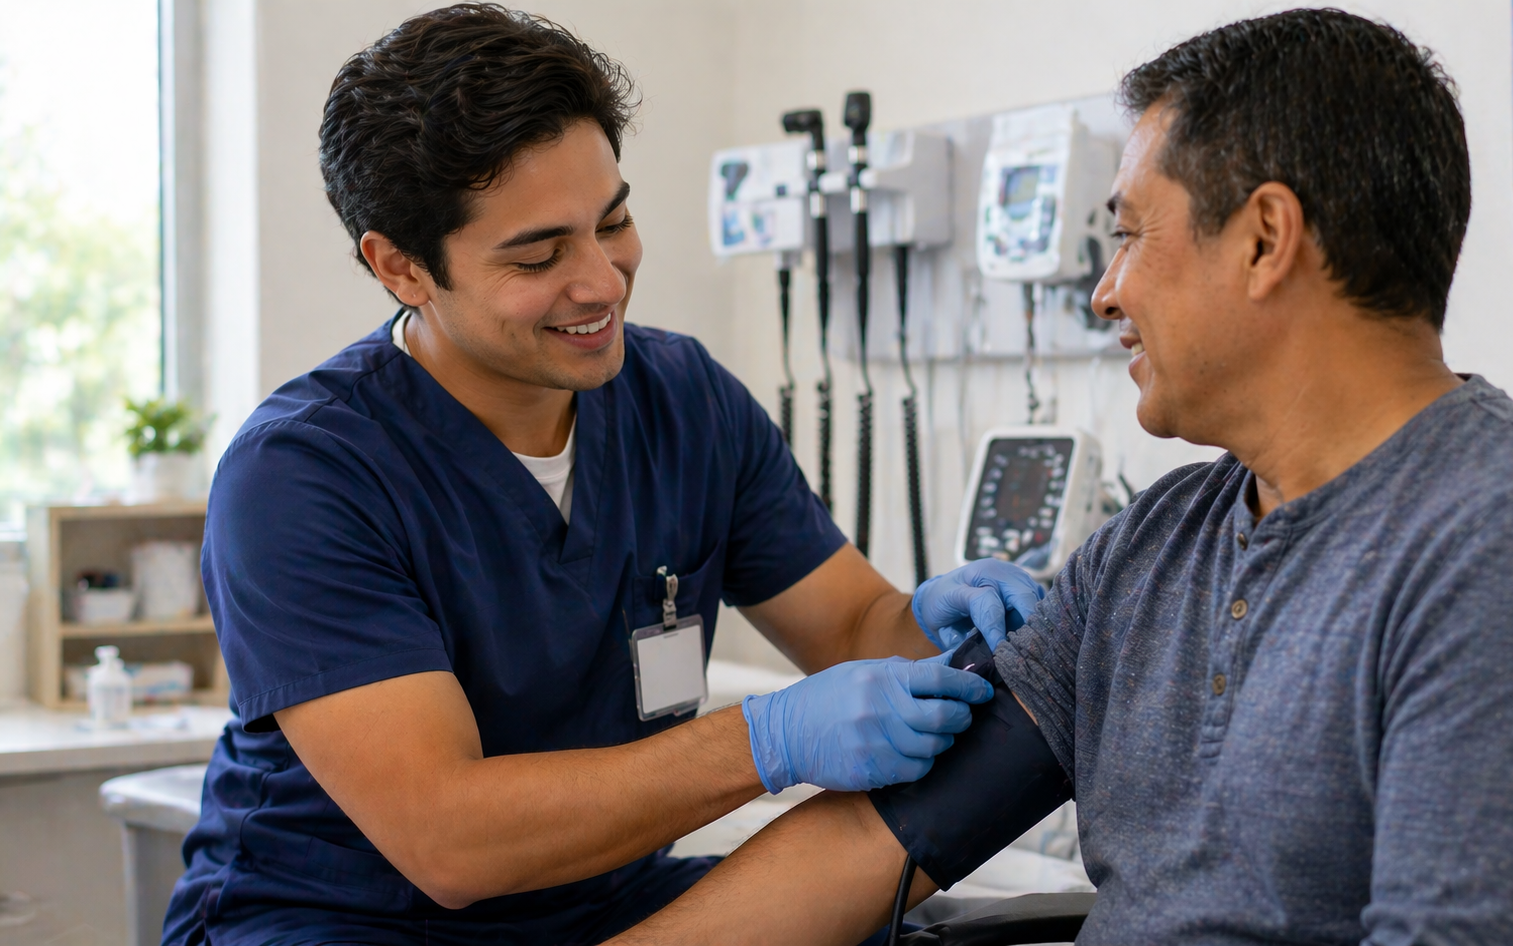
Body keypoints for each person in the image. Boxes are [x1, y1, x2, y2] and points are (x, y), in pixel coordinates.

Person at [604, 9, 1513, 946]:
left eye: (1127, 234)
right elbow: (868, 849)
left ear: (1262, 240)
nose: (1104, 293)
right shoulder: (1153, 546)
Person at [160, 5, 1044, 945]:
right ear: (401, 266)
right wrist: (767, 740)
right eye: (538, 255)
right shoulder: (303, 476)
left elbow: (855, 627)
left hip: (598, 904)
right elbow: (449, 838)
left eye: (612, 220)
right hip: (340, 925)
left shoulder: (684, 400)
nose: (603, 281)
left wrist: (933, 622)